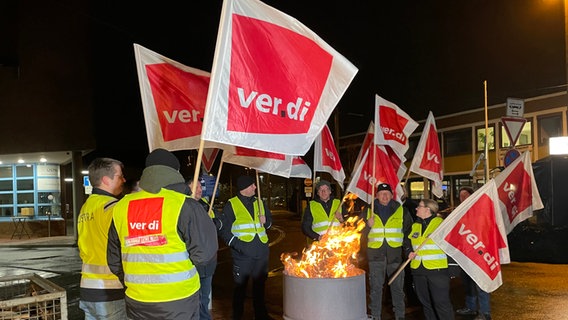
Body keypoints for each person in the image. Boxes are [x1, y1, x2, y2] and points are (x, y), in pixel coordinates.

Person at [107, 148, 218, 320]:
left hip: (137, 300)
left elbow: (114, 259)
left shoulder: (122, 207)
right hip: (179, 300)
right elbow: (204, 254)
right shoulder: (184, 205)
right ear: (175, 173)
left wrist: (136, 282)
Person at [77, 158, 127, 320]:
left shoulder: (86, 207)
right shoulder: (114, 208)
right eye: (119, 176)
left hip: (87, 288)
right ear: (106, 180)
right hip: (110, 289)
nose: (123, 180)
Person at [218, 175, 273, 320]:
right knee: (240, 289)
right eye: (252, 185)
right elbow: (224, 231)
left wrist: (266, 221)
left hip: (261, 253)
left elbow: (269, 224)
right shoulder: (231, 204)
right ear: (244, 188)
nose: (255, 187)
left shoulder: (260, 202)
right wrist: (239, 246)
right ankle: (237, 316)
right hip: (242, 255)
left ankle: (261, 315)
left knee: (260, 287)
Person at [365, 183, 413, 320]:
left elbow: (408, 232)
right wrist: (367, 226)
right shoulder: (369, 210)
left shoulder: (401, 210)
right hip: (375, 256)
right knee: (375, 289)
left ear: (392, 195)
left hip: (395, 257)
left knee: (398, 289)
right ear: (377, 196)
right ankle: (375, 316)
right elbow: (358, 233)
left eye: (387, 193)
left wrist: (408, 250)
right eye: (381, 193)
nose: (384, 196)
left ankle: (400, 316)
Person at [408, 199, 454, 320]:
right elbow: (407, 242)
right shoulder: (415, 225)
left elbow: (452, 246)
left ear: (428, 209)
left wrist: (453, 269)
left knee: (441, 303)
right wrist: (408, 252)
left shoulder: (441, 225)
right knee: (425, 304)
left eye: (419, 206)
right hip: (418, 271)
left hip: (437, 271)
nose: (416, 208)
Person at [455, 186, 492, 320]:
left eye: (466, 195)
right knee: (468, 283)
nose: (463, 198)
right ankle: (471, 307)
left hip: (479, 253)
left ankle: (485, 312)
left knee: (481, 283)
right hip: (465, 254)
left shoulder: (479, 211)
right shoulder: (459, 212)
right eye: (461, 196)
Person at [188, 179, 219, 320]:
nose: (200, 189)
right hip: (193, 262)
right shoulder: (184, 206)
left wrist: (212, 222)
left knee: (204, 298)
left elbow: (219, 223)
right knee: (194, 299)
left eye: (200, 186)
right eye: (196, 186)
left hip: (209, 262)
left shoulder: (206, 205)